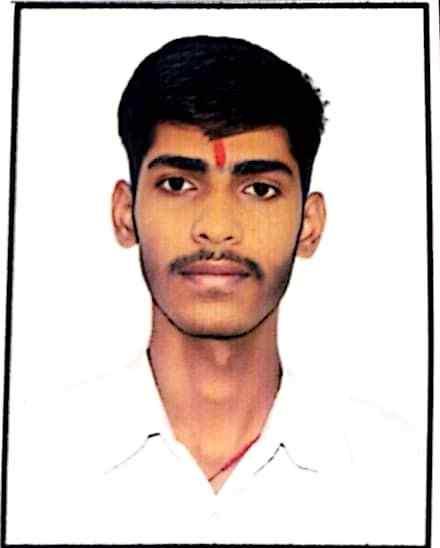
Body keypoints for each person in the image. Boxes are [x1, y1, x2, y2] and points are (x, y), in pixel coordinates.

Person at [9, 35, 424, 545]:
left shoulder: (402, 479)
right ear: (125, 213)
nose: (217, 228)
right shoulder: (26, 467)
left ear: (310, 224)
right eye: (178, 184)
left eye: (260, 189)